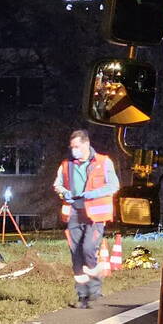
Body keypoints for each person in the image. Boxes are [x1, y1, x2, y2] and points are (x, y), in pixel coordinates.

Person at [52, 129, 119, 308]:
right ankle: (82, 296)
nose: (74, 150)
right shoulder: (66, 165)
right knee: (76, 255)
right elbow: (57, 184)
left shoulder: (104, 162)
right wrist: (64, 192)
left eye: (77, 146)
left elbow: (113, 186)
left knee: (89, 249)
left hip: (95, 215)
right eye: (72, 146)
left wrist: (90, 194)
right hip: (74, 213)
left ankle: (95, 291)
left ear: (86, 144)